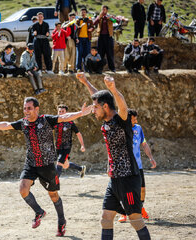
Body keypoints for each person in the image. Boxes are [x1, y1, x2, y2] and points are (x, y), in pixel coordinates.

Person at [0, 97, 92, 237]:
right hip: (31, 163)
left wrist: (80, 113)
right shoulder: (23, 123)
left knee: (54, 195)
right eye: (25, 108)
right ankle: (39, 212)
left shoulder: (46, 120)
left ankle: (61, 221)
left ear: (37, 109)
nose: (26, 111)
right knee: (23, 189)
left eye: (29, 108)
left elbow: (64, 117)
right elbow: (7, 124)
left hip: (47, 165)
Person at [76, 72, 151, 240]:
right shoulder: (106, 118)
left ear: (105, 107)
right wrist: (86, 82)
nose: (92, 110)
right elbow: (98, 97)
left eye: (95, 108)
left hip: (129, 178)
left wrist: (113, 89)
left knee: (136, 220)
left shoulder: (121, 120)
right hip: (114, 179)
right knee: (106, 219)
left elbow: (122, 106)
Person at [118, 109, 157, 223]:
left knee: (142, 189)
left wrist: (151, 157)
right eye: (133, 119)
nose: (135, 121)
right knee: (127, 190)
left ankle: (141, 208)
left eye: (136, 119)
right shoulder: (122, 129)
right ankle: (124, 212)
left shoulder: (138, 128)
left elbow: (144, 144)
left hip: (138, 165)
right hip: (126, 165)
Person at [54, 104, 87, 178]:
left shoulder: (70, 123)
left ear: (67, 113)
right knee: (65, 165)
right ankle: (81, 169)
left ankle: (54, 184)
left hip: (66, 147)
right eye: (59, 111)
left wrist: (82, 145)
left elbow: (78, 134)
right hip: (58, 146)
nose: (61, 113)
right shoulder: (55, 122)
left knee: (59, 163)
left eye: (63, 111)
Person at [93, 5, 118, 72]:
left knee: (110, 53)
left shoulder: (110, 16)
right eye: (102, 9)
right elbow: (94, 23)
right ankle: (99, 69)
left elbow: (117, 21)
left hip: (108, 37)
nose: (103, 11)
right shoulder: (100, 17)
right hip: (101, 37)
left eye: (104, 9)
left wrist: (110, 18)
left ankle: (112, 68)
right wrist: (99, 17)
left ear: (107, 10)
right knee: (100, 53)